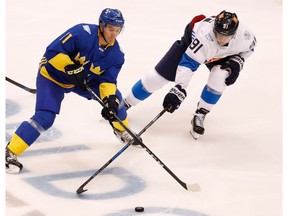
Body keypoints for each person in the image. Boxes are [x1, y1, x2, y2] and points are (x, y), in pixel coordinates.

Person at [6, 8, 137, 174]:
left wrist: (109, 101)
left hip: (80, 81)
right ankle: (10, 152)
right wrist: (69, 66)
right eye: (111, 29)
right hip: (52, 76)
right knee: (45, 117)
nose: (114, 34)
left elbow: (108, 81)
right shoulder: (81, 33)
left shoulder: (117, 55)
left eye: (118, 30)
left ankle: (121, 129)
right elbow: (52, 51)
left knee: (116, 100)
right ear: (101, 25)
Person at [124, 10, 257, 139]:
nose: (221, 39)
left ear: (234, 33)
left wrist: (238, 60)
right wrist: (179, 88)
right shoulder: (205, 37)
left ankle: (200, 114)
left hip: (220, 55)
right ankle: (125, 104)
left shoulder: (245, 35)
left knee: (220, 77)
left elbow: (250, 48)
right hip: (193, 45)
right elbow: (188, 64)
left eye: (226, 35)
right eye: (219, 33)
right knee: (155, 78)